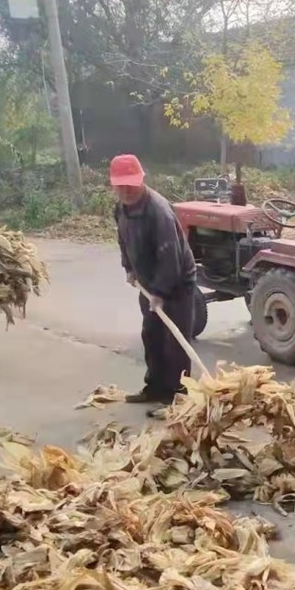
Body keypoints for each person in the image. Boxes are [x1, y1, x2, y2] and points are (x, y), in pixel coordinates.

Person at [112, 154, 199, 414]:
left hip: (176, 284)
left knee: (176, 342)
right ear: (113, 185)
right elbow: (123, 240)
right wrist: (129, 267)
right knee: (152, 336)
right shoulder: (121, 209)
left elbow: (170, 256)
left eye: (131, 185)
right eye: (121, 186)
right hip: (149, 284)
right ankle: (156, 387)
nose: (126, 191)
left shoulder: (158, 211)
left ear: (141, 180)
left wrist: (160, 293)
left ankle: (180, 398)